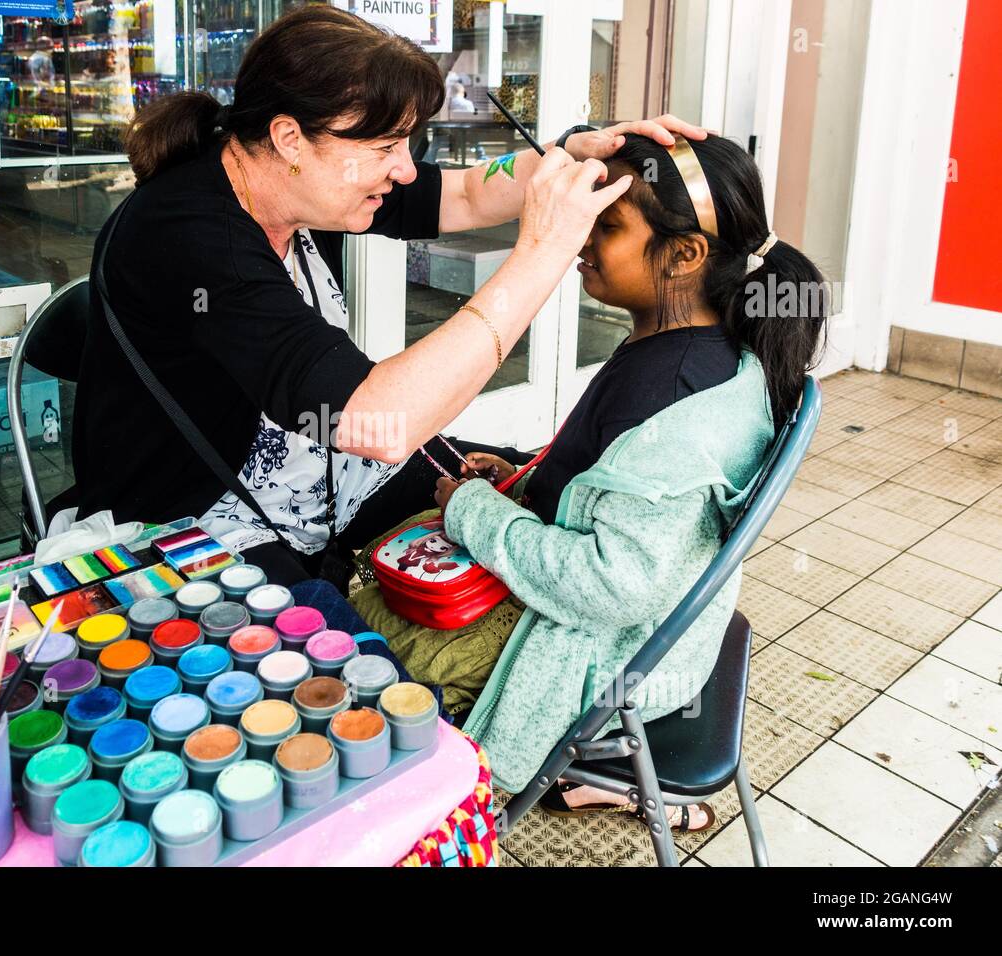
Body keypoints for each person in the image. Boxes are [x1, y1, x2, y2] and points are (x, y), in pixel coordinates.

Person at [67, 5, 702, 586]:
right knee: (355, 683)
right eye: (386, 147)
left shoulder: (296, 177)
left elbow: (466, 194)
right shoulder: (194, 239)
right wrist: (542, 252)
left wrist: (572, 154)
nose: (403, 168)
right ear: (290, 138)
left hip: (318, 473)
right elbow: (378, 422)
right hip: (194, 521)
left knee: (531, 484)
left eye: (407, 144)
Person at [351, 132, 828, 831]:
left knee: (348, 638)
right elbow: (604, 484)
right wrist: (524, 480)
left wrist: (475, 513)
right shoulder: (683, 352)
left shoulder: (674, 399)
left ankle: (397, 813)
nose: (580, 236)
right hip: (639, 627)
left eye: (606, 224)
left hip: (594, 651)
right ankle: (600, 782)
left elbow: (612, 584)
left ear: (686, 255)